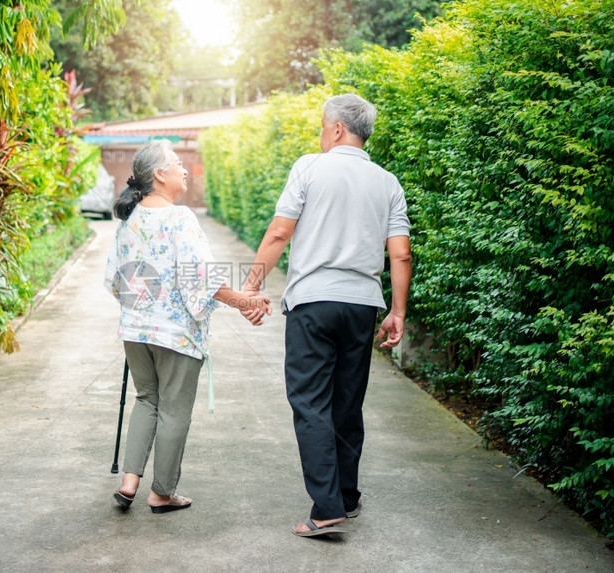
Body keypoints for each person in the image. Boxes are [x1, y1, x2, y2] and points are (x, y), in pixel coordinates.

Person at [241, 94, 412, 536]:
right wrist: (397, 312)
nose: (320, 135)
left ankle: (326, 508)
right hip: (362, 305)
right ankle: (348, 497)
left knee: (310, 402)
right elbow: (401, 254)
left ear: (336, 129)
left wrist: (252, 285)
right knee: (346, 402)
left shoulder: (309, 168)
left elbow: (280, 231)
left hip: (313, 302)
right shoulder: (387, 182)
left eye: (322, 127)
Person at [105, 139, 271, 513]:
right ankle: (161, 493)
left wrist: (143, 313)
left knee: (147, 400)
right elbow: (203, 280)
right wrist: (246, 301)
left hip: (136, 333)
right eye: (177, 163)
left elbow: (115, 281)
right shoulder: (180, 218)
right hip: (175, 336)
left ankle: (129, 482)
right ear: (160, 175)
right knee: (173, 411)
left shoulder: (130, 221)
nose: (183, 169)